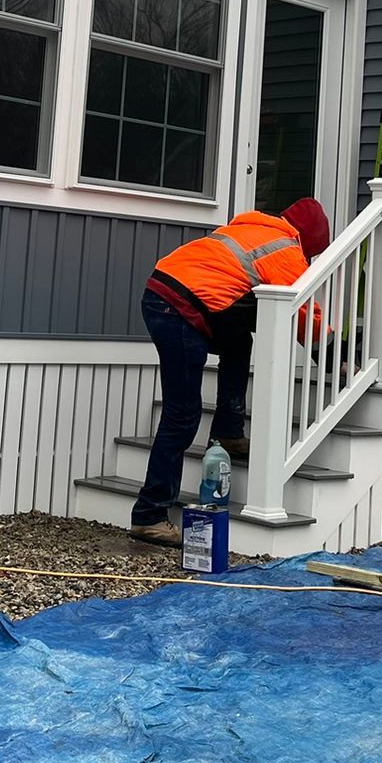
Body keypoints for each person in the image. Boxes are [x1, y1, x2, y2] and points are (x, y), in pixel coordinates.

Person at [129, 198, 331, 547]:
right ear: (310, 242)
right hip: (178, 308)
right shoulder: (286, 251)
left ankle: (228, 432)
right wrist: (335, 354)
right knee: (182, 415)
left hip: (164, 294)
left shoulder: (252, 229)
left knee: (238, 342)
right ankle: (150, 515)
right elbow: (302, 315)